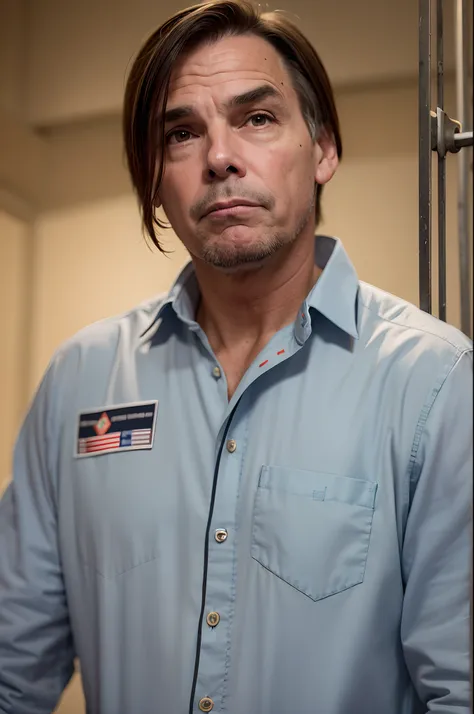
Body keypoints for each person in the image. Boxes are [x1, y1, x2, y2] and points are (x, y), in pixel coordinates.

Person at [0, 1, 472, 712]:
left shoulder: (433, 383)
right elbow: (12, 670)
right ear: (154, 181)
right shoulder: (81, 383)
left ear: (323, 150)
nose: (220, 157)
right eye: (183, 134)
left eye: (256, 118)